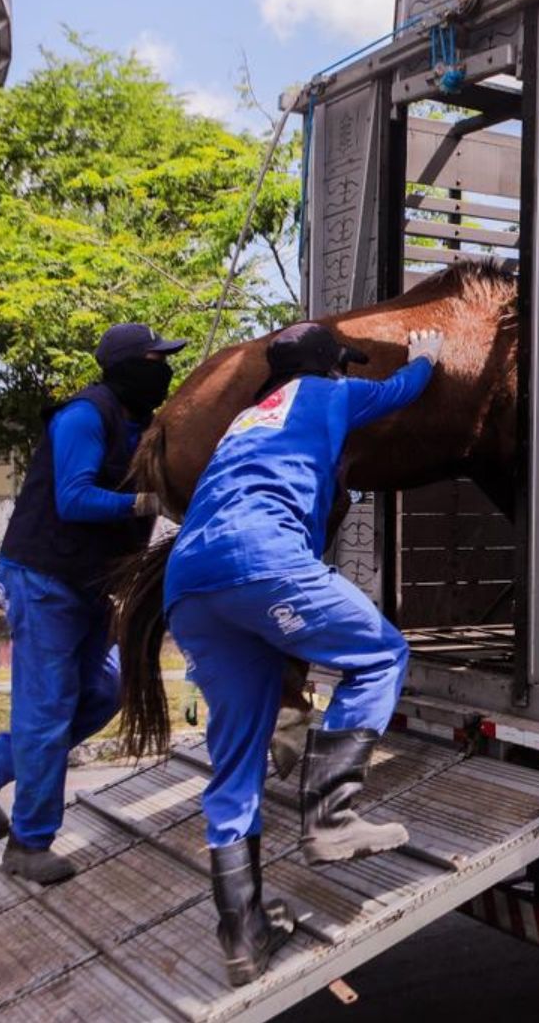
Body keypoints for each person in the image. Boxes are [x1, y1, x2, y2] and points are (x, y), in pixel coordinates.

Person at [163, 322, 441, 986]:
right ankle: (332, 817)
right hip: (260, 562)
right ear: (328, 367)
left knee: (234, 763)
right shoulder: (326, 393)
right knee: (379, 656)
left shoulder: (244, 420)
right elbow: (402, 388)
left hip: (190, 586)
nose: (345, 375)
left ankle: (243, 934)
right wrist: (430, 356)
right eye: (342, 365)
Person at [0, 322, 185, 885]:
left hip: (89, 584)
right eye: (155, 358)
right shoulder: (84, 416)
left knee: (107, 688)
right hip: (44, 579)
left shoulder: (141, 423)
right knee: (47, 712)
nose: (164, 369)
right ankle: (28, 843)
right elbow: (73, 498)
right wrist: (148, 500)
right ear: (126, 366)